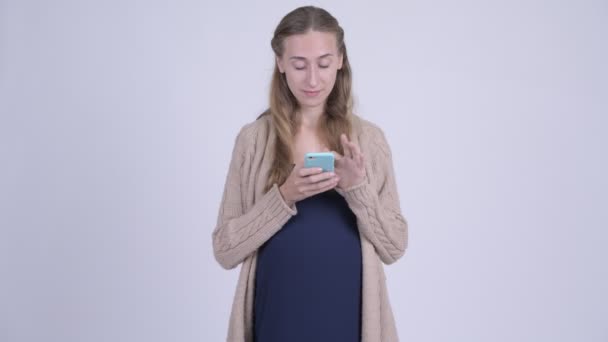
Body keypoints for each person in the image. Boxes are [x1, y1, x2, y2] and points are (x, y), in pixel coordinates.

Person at [212, 6, 408, 342]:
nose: (313, 79)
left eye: (324, 63)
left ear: (341, 60)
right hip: (277, 318)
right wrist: (284, 196)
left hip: (347, 318)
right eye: (299, 65)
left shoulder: (369, 141)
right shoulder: (254, 139)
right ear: (281, 64)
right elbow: (225, 250)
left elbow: (394, 246)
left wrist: (357, 188)